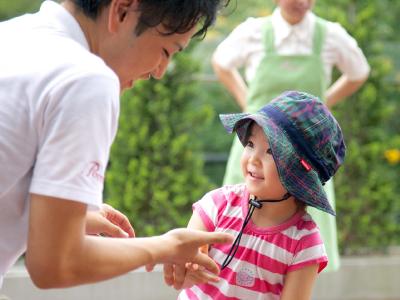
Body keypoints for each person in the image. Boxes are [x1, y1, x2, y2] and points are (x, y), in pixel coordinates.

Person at [0, 0, 233, 290]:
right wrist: (165, 247)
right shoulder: (86, 79)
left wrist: (66, 215)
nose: (159, 71)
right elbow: (56, 264)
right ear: (122, 11)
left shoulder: (12, 35)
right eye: (167, 50)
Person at [211, 0, 370, 271]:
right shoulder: (255, 32)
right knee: (239, 223)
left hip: (304, 153)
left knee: (300, 243)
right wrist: (247, 104)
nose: (301, 1)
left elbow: (359, 72)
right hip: (257, 148)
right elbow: (220, 62)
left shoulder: (329, 35)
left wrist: (321, 107)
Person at [172, 90, 346, 299]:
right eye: (250, 144)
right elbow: (187, 251)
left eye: (271, 151)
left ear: (300, 175)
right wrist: (190, 261)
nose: (253, 159)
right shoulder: (218, 204)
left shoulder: (304, 242)